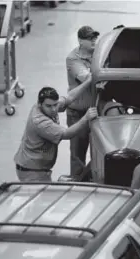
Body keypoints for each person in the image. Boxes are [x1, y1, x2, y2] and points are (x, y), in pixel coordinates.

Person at [14, 78, 98, 182]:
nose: (54, 109)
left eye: (55, 105)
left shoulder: (47, 106)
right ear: (40, 104)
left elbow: (69, 97)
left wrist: (88, 81)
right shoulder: (40, 122)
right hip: (32, 172)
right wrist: (86, 118)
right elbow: (66, 134)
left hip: (38, 168)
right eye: (49, 106)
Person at [66, 25, 100, 178]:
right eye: (89, 38)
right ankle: (77, 182)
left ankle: (93, 179)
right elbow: (88, 78)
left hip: (96, 113)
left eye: (95, 37)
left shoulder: (99, 54)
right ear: (80, 40)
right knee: (77, 154)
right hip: (77, 114)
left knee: (98, 151)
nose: (94, 41)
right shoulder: (73, 59)